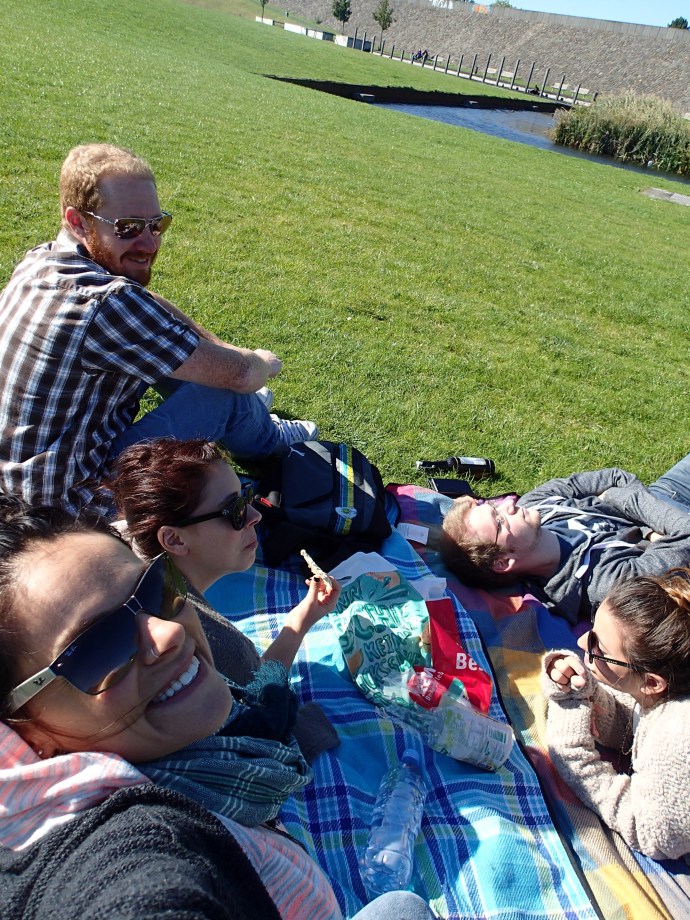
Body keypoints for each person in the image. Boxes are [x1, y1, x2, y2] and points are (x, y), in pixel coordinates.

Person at [0, 494, 437, 920]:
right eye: (100, 645)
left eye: (154, 587)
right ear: (27, 729)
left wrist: (300, 621)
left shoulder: (196, 719)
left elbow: (257, 698)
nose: (169, 634)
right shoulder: (130, 844)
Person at [0, 143, 318, 516]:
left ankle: (252, 412)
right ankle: (272, 439)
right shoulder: (107, 303)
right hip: (73, 501)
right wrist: (260, 363)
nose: (150, 243)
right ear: (79, 222)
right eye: (128, 227)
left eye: (157, 224)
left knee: (187, 359)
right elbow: (241, 374)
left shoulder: (41, 261)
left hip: (21, 479)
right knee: (226, 396)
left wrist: (225, 352)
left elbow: (147, 306)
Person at [106, 437, 340, 680]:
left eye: (246, 496)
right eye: (235, 510)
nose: (255, 515)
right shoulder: (210, 641)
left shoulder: (118, 540)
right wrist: (298, 625)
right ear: (174, 540)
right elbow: (261, 689)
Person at [541, 568, 690, 862]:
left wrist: (571, 755)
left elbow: (652, 834)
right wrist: (581, 688)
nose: (582, 642)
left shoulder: (677, 734)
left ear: (652, 682)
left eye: (599, 647)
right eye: (592, 629)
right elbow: (634, 716)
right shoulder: (667, 684)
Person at [439, 458, 690, 623]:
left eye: (495, 506)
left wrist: (647, 527)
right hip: (669, 511)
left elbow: (616, 477)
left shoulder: (537, 503)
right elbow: (686, 537)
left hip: (664, 492)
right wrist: (619, 500)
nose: (509, 504)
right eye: (500, 521)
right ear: (503, 561)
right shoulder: (599, 583)